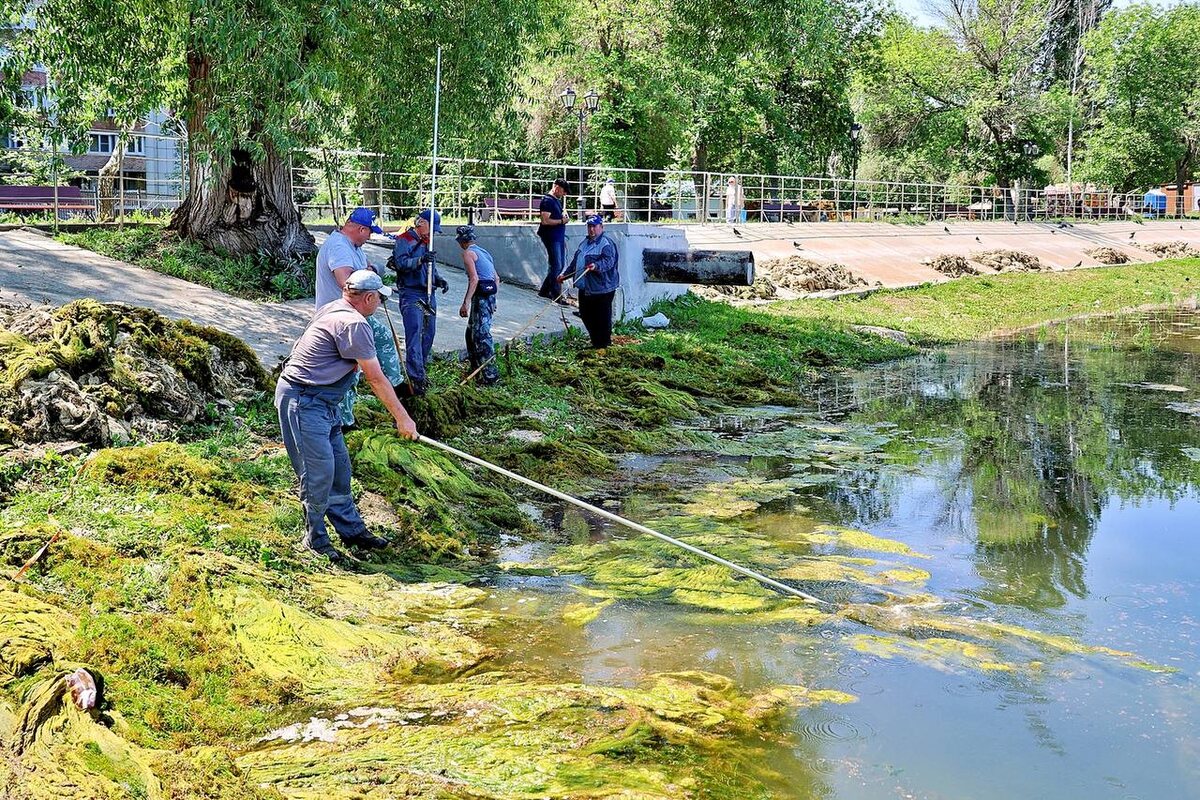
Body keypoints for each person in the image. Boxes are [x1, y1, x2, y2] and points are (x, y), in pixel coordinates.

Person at [276, 269, 419, 563]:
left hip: (324, 403)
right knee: (318, 473)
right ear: (368, 298)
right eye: (379, 299)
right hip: (304, 401)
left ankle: (352, 531)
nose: (380, 304)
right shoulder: (354, 323)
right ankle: (315, 539)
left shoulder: (335, 307)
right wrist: (403, 419)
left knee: (340, 470)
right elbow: (376, 379)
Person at [315, 207, 404, 427]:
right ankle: (343, 421)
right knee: (350, 366)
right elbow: (346, 281)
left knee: (383, 337)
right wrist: (370, 280)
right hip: (340, 318)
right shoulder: (339, 246)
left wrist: (371, 274)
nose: (370, 237)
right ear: (361, 229)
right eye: (370, 232)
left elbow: (364, 270)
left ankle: (396, 387)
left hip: (355, 312)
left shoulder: (353, 247)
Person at [391, 209, 447, 396]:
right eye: (432, 228)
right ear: (421, 223)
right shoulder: (404, 240)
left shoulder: (427, 242)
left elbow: (431, 268)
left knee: (428, 332)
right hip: (412, 294)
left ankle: (420, 369)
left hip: (428, 294)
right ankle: (415, 377)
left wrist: (438, 280)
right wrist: (421, 259)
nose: (432, 233)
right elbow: (401, 264)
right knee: (415, 333)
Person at [560, 214, 619, 349]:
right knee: (586, 314)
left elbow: (609, 261)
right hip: (586, 288)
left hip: (603, 288)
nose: (591, 229)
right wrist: (564, 275)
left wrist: (596, 266)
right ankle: (596, 343)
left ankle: (603, 345)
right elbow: (576, 263)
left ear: (601, 227)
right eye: (589, 226)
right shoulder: (584, 244)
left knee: (602, 318)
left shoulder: (606, 244)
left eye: (594, 226)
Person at [455, 225, 500, 385]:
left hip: (481, 296)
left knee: (481, 335)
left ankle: (491, 375)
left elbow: (474, 279)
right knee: (470, 333)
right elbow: (497, 278)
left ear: (461, 241)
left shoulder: (468, 254)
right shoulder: (484, 252)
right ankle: (475, 369)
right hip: (489, 295)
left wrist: (465, 303)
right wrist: (494, 300)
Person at [537, 178, 571, 302]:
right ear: (556, 187)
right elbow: (545, 220)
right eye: (563, 191)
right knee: (556, 265)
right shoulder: (547, 201)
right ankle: (555, 294)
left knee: (558, 265)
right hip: (551, 237)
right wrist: (562, 221)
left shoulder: (555, 200)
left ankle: (545, 291)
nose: (564, 194)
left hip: (558, 237)